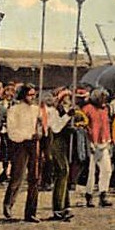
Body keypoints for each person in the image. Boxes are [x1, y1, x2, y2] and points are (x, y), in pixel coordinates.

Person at [2, 83, 42, 222]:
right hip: (20, 144)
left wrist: (39, 131)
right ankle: (8, 204)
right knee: (17, 176)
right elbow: (12, 131)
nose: (32, 97)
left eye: (34, 95)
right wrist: (27, 135)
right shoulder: (14, 110)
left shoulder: (37, 110)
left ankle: (31, 211)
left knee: (34, 178)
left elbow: (41, 127)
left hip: (34, 144)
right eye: (29, 95)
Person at [80, 88, 114, 207]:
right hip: (91, 143)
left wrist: (109, 140)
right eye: (101, 98)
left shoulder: (105, 110)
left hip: (104, 142)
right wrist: (88, 143)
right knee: (91, 172)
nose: (104, 100)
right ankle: (89, 195)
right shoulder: (87, 109)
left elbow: (106, 126)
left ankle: (103, 193)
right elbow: (83, 127)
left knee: (107, 170)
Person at [47, 88, 75, 221]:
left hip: (64, 142)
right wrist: (68, 116)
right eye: (65, 98)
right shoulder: (53, 111)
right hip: (55, 141)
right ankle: (58, 207)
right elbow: (56, 127)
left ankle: (65, 205)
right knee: (62, 171)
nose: (67, 100)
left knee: (65, 173)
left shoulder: (65, 110)